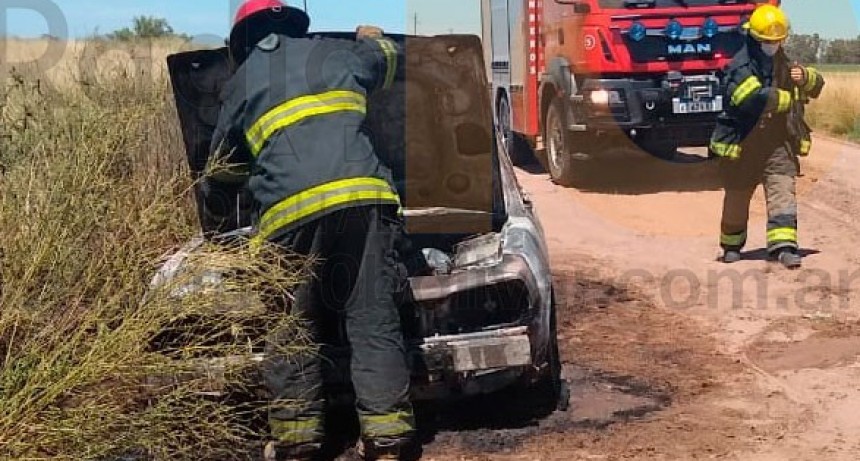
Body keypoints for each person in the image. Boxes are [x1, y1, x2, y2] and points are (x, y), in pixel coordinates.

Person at [209, 1, 415, 459]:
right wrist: (371, 36)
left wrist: (215, 216)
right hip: (363, 202)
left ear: (241, 41)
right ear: (299, 27)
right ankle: (388, 439)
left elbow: (222, 171)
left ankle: (299, 444)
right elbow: (390, 58)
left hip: (289, 219)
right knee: (372, 317)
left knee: (293, 328)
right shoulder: (332, 55)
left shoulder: (239, 84)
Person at [709, 4, 825, 269]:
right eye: (768, 41)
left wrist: (805, 77)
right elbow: (748, 98)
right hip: (743, 141)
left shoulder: (784, 60)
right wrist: (785, 98)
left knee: (782, 189)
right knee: (738, 195)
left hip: (777, 140)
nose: (773, 45)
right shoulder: (740, 64)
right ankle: (732, 246)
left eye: (777, 41)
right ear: (754, 37)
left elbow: (817, 86)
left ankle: (784, 247)